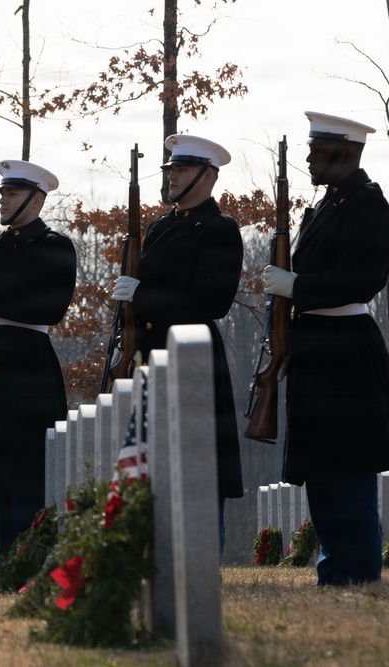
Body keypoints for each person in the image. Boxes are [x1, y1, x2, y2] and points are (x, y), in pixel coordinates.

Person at [263, 111, 389, 586]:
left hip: (347, 349)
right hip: (316, 346)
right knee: (320, 470)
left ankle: (358, 572)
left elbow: (360, 279)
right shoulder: (328, 206)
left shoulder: (366, 206)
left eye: (317, 152)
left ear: (346, 153)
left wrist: (296, 285)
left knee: (348, 469)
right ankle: (332, 571)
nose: (308, 159)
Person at [110, 134, 244, 551]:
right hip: (149, 356)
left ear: (208, 176)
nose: (171, 176)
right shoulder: (158, 227)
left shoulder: (220, 230)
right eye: (170, 169)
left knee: (200, 467)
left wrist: (142, 295)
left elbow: (213, 300)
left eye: (181, 170)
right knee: (151, 463)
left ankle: (202, 559)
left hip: (191, 356)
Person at [0, 160, 77, 561]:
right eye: (2, 194)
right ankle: (5, 555)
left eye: (13, 194)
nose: (3, 201)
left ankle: (28, 559)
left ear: (37, 200)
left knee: (25, 476)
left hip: (27, 372)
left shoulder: (53, 245)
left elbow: (51, 307)